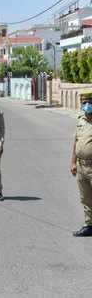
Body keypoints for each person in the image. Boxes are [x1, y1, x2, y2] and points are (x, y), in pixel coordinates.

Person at [71, 89, 92, 237]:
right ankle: (89, 224)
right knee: (85, 197)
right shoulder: (80, 120)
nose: (87, 105)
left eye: (90, 102)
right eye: (84, 103)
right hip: (81, 165)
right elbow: (76, 142)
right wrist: (73, 162)